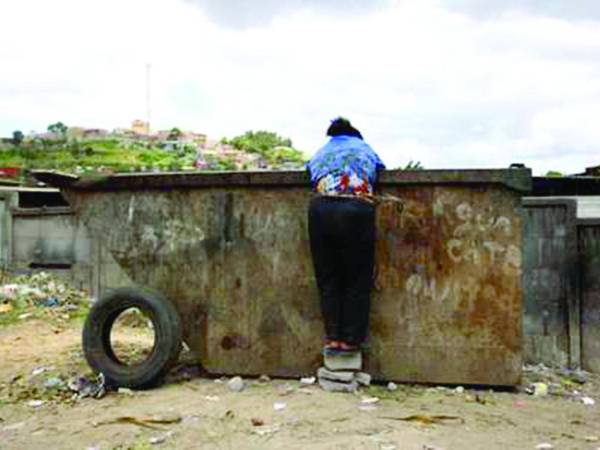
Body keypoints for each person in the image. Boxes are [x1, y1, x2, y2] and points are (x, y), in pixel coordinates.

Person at [306, 117, 385, 353]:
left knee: (327, 276)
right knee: (357, 277)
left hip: (321, 210)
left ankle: (332, 338)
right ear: (355, 134)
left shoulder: (321, 152)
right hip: (356, 210)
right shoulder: (364, 148)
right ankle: (351, 341)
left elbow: (309, 173)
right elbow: (378, 170)